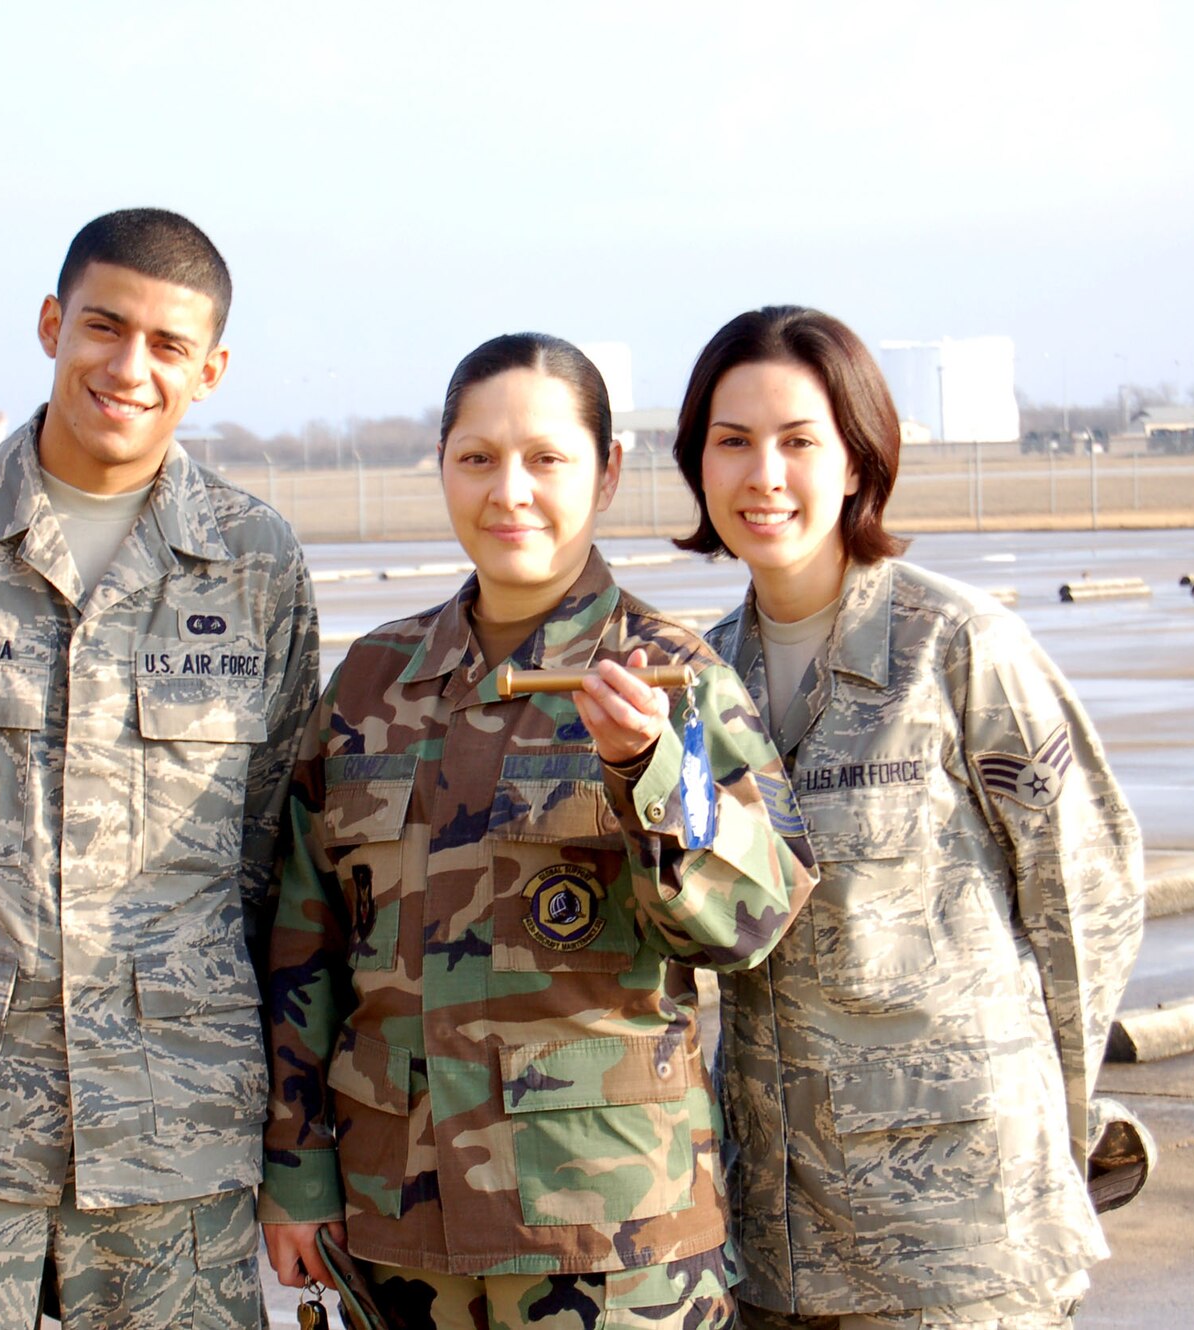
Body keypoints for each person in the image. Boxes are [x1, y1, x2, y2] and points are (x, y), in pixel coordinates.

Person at [0, 208, 319, 1328]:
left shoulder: (255, 564)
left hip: (172, 1126)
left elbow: (271, 841)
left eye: (168, 345)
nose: (129, 367)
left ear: (211, 370)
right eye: (104, 325)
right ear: (52, 324)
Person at [259, 333, 815, 1330]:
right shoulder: (370, 683)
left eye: (545, 459)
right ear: (440, 468)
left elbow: (749, 918)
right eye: (476, 457)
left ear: (605, 473)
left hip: (607, 1236)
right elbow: (305, 944)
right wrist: (297, 1170)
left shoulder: (670, 677)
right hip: (398, 1227)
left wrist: (648, 769)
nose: (509, 490)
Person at [670, 305, 1146, 1330]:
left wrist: (1055, 1129)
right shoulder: (698, 682)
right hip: (771, 1234)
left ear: (856, 460)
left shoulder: (956, 647)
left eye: (799, 441)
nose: (763, 475)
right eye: (732, 441)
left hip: (957, 1232)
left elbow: (1086, 897)